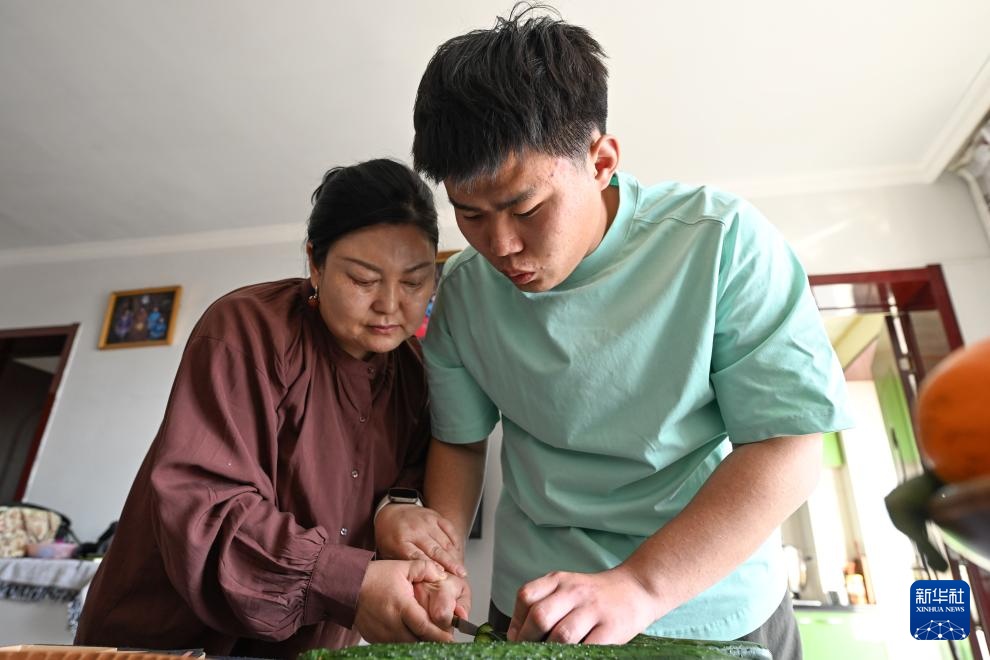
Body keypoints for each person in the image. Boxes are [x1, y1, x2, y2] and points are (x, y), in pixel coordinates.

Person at [375, 7, 852, 658]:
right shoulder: (461, 292)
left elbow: (788, 445)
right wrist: (445, 555)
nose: (501, 246)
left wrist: (642, 586)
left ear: (601, 161)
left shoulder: (721, 242)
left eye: (526, 208)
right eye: (471, 215)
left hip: (708, 599)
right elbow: (459, 441)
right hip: (535, 603)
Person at [76, 159, 469, 658]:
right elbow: (207, 508)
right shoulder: (246, 330)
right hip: (170, 638)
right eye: (364, 280)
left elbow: (408, 482)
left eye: (414, 282)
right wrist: (349, 581)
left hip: (308, 646)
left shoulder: (415, 373)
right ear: (315, 264)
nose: (390, 305)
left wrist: (398, 513)